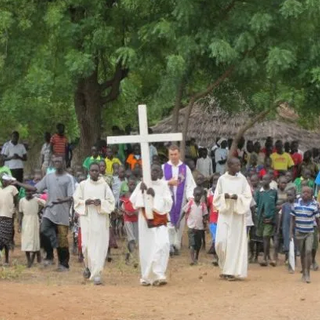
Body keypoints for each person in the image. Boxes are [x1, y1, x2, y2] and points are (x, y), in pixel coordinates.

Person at [15, 155, 75, 271]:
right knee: (43, 230)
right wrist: (18, 183)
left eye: (59, 160)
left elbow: (72, 196)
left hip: (62, 212)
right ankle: (50, 255)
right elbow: (35, 188)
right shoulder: (48, 177)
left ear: (64, 162)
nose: (57, 162)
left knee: (63, 240)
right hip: (49, 211)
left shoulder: (69, 178)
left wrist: (63, 199)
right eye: (55, 161)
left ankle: (64, 264)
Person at [130, 164, 173, 286]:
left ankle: (159, 275)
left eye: (156, 171)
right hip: (145, 220)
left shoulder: (163, 185)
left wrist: (155, 195)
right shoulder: (142, 183)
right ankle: (147, 277)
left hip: (160, 220)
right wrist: (141, 191)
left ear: (160, 174)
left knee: (163, 244)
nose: (154, 173)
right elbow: (134, 202)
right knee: (147, 247)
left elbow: (168, 203)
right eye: (152, 170)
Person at [73, 162, 115, 285]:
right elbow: (76, 200)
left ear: (99, 172)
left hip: (100, 219)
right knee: (86, 245)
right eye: (92, 170)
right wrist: (86, 202)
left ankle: (97, 274)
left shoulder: (104, 186)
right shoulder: (83, 185)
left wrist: (100, 202)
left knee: (99, 246)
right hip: (87, 219)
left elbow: (111, 202)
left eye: (96, 171)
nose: (94, 173)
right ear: (89, 172)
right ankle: (88, 267)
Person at [213, 157, 252, 280]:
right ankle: (224, 266)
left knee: (235, 244)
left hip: (236, 215)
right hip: (225, 214)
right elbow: (216, 198)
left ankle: (230, 271)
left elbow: (247, 196)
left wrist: (237, 198)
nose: (239, 167)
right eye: (236, 165)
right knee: (221, 242)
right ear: (229, 166)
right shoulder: (222, 180)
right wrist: (224, 197)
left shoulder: (242, 180)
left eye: (240, 165)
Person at [162, 145, 196, 255]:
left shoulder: (185, 169)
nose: (173, 157)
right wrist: (168, 182)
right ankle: (170, 244)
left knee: (180, 223)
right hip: (168, 200)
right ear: (168, 155)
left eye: (175, 154)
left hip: (181, 200)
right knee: (169, 222)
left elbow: (190, 185)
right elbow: (158, 183)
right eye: (171, 154)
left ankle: (177, 244)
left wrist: (190, 197)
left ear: (179, 154)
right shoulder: (164, 167)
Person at [291, 186, 320, 283]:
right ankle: (304, 272)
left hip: (309, 232)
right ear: (301, 193)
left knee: (308, 251)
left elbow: (317, 219)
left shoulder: (314, 206)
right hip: (299, 232)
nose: (305, 194)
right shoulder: (296, 204)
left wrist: (318, 232)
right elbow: (292, 219)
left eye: (308, 192)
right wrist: (291, 232)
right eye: (304, 192)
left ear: (311, 195)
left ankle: (308, 274)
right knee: (302, 254)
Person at [178, 187, 208, 265]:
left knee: (198, 244)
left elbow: (205, 215)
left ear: (201, 196)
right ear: (193, 195)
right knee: (192, 244)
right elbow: (184, 212)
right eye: (196, 195)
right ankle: (192, 259)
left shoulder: (203, 205)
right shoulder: (190, 203)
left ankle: (196, 256)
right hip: (191, 227)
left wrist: (206, 226)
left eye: (199, 195)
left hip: (200, 227)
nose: (197, 197)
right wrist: (179, 221)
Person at [18, 189, 45, 268]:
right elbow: (20, 213)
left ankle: (33, 258)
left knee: (34, 239)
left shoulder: (36, 200)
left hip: (34, 220)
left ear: (33, 193)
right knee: (26, 240)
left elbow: (46, 204)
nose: (28, 193)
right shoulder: (22, 200)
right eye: (27, 191)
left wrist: (38, 211)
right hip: (25, 220)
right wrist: (19, 224)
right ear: (25, 193)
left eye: (30, 191)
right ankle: (28, 259)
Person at [255, 174, 278, 267]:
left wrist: (272, 218)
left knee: (266, 236)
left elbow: (275, 204)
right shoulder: (259, 192)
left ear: (270, 180)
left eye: (266, 179)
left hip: (270, 219)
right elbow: (257, 205)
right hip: (261, 218)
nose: (264, 181)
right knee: (263, 238)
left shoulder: (273, 192)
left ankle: (265, 257)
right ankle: (267, 255)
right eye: (262, 179)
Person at [0, 174, 18, 265]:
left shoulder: (12, 188)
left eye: (6, 180)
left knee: (6, 239)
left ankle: (6, 260)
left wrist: (14, 210)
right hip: (0, 216)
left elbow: (16, 200)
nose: (4, 182)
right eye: (3, 180)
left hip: (8, 216)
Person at [120, 176, 139, 265]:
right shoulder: (125, 195)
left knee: (135, 240)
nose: (132, 186)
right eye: (130, 184)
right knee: (131, 239)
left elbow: (140, 206)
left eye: (134, 184)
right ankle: (132, 259)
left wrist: (136, 212)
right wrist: (125, 211)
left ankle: (128, 256)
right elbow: (121, 207)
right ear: (127, 185)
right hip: (127, 219)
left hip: (136, 219)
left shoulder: (138, 194)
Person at [280, 189, 296, 272]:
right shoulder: (284, 205)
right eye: (288, 195)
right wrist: (279, 227)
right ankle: (288, 259)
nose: (289, 197)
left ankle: (294, 261)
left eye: (291, 195)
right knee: (287, 243)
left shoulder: (297, 205)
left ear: (295, 195)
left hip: (296, 227)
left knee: (295, 244)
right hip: (286, 226)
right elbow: (281, 216)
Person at [207, 173, 220, 265]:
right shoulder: (210, 196)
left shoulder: (223, 195)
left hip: (222, 220)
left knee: (221, 240)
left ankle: (219, 257)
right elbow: (208, 207)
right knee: (215, 238)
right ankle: (216, 257)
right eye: (214, 181)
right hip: (213, 220)